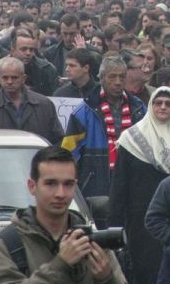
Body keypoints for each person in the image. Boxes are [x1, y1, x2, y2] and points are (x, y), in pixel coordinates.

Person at [0, 146, 130, 284]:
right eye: (51, 183)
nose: (60, 193)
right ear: (32, 186)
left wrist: (106, 281)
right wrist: (60, 264)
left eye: (68, 184)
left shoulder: (91, 240)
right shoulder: (8, 244)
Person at [109, 86, 170, 284]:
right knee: (146, 278)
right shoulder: (131, 138)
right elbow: (119, 188)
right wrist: (114, 229)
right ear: (151, 105)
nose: (163, 107)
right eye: (158, 103)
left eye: (168, 103)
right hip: (141, 224)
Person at [61, 56, 146, 197]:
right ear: (101, 78)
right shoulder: (84, 112)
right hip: (96, 187)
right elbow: (68, 154)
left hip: (133, 183)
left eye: (122, 77)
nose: (118, 82)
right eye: (112, 77)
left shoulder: (139, 108)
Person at [0, 57, 63, 144]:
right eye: (5, 78)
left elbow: (58, 139)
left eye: (14, 78)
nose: (9, 81)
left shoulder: (44, 105)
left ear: (23, 78)